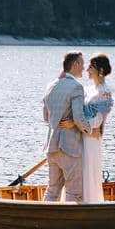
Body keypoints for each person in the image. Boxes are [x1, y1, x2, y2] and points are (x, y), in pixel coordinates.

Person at [41, 51, 90, 203]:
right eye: (82, 64)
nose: (84, 68)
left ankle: (43, 221)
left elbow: (46, 117)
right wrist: (91, 129)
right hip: (69, 148)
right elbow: (79, 119)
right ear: (75, 64)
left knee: (52, 190)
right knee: (74, 192)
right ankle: (71, 225)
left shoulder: (50, 85)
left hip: (51, 147)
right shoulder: (76, 87)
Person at [81, 54, 113, 203]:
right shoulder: (87, 89)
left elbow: (100, 118)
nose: (86, 69)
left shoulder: (104, 91)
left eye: (90, 67)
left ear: (99, 70)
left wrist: (81, 125)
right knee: (79, 170)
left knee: (89, 169)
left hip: (91, 137)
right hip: (83, 134)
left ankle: (90, 201)